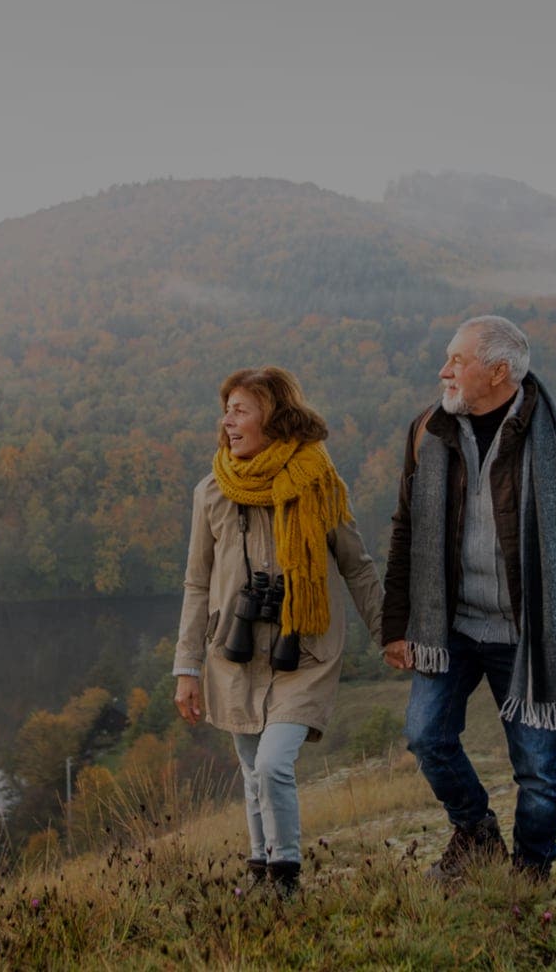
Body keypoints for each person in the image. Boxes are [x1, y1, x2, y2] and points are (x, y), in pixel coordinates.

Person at [380, 315, 556, 883]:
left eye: (457, 361)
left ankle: (531, 875)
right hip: (451, 626)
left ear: (498, 373)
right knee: (426, 736)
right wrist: (396, 625)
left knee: (538, 769)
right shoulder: (428, 431)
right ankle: (476, 833)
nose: (443, 371)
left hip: (529, 633)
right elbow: (406, 531)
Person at [174, 366, 383, 895]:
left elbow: (357, 566)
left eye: (240, 411)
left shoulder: (319, 484)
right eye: (226, 411)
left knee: (271, 765)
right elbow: (197, 584)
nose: (227, 422)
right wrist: (187, 667)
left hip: (303, 651)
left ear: (273, 417)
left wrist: (389, 634)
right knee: (251, 770)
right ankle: (260, 869)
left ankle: (285, 875)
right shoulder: (211, 492)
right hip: (234, 651)